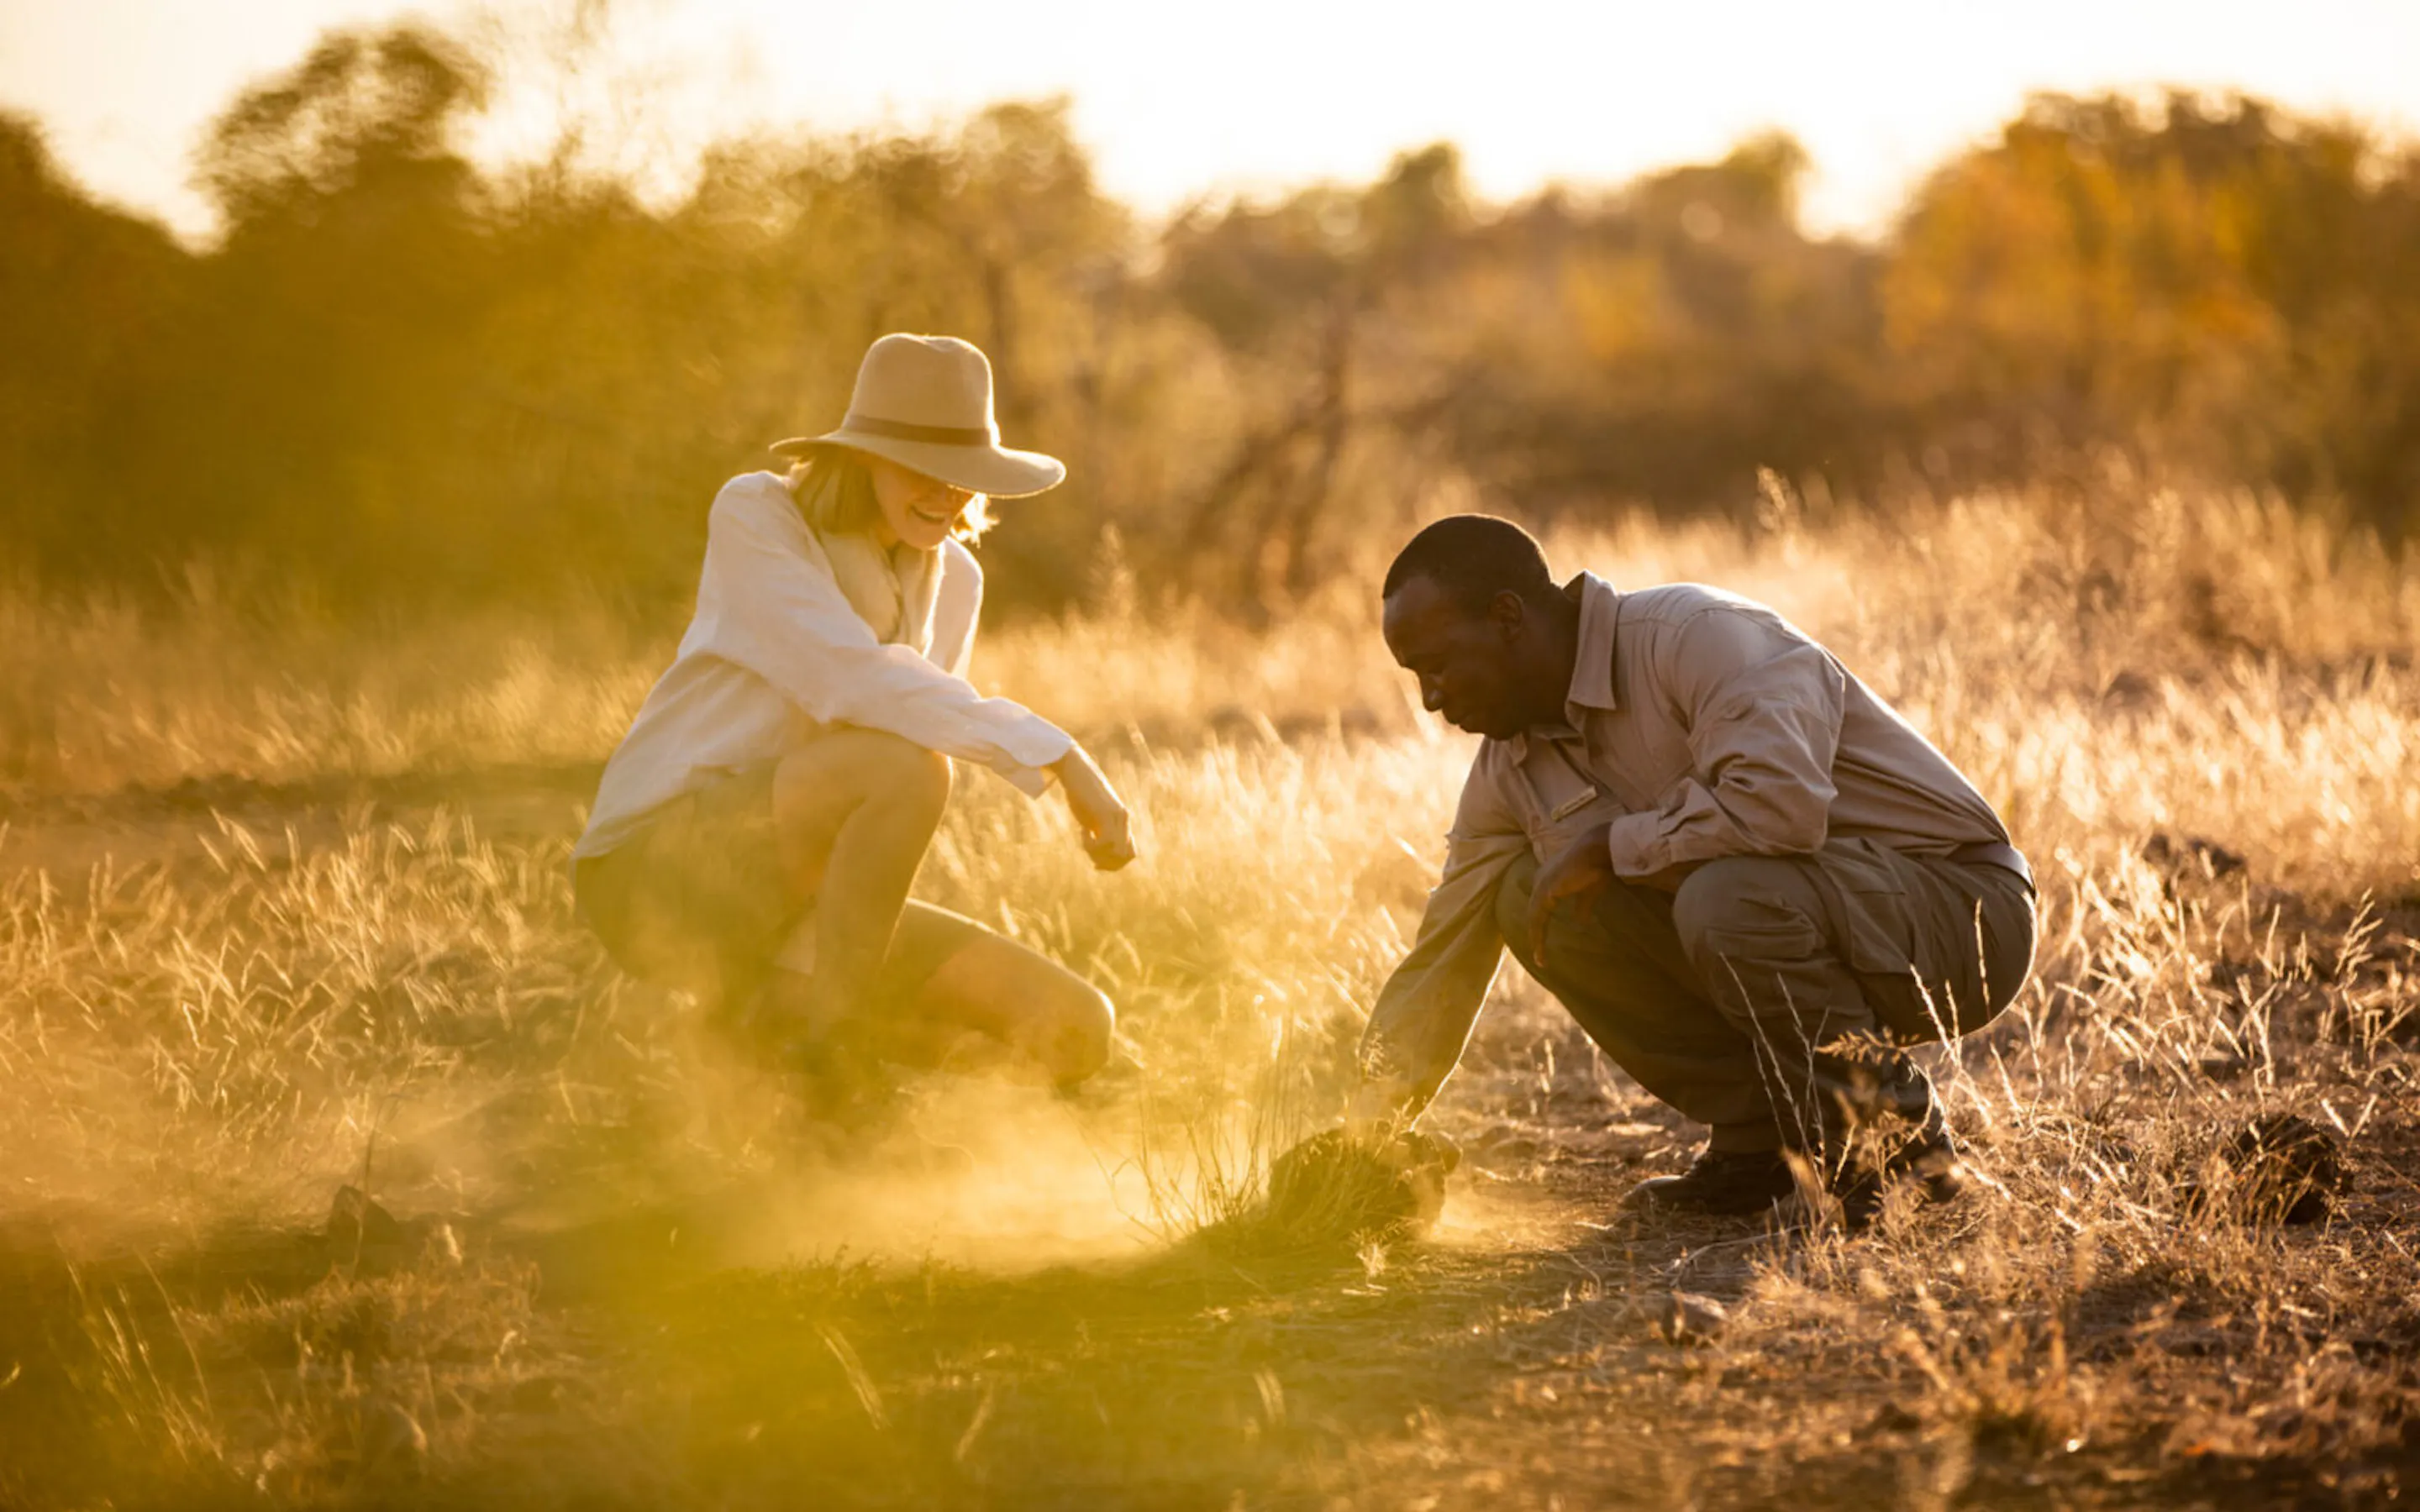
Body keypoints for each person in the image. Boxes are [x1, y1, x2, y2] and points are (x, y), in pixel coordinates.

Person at [1351, 515, 2034, 1219]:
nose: (1431, 699)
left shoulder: (1697, 636)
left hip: (1965, 914)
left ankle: (1897, 1157)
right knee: (1523, 896)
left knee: (1724, 897)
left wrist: (1609, 846)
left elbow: (1779, 809)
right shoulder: (1508, 770)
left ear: (1506, 617)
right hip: (1790, 920)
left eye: (1437, 665)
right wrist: (1366, 1129)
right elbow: (1442, 955)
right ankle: (1760, 1146)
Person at [571, 333, 1135, 1110]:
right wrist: (1060, 757)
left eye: (967, 478)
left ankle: (762, 1029)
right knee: (907, 767)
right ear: (863, 455)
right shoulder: (758, 513)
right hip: (655, 872)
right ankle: (832, 1073)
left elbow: (905, 734)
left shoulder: (956, 577)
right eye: (923, 471)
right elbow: (851, 683)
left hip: (803, 899)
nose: (949, 496)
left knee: (1076, 1029)